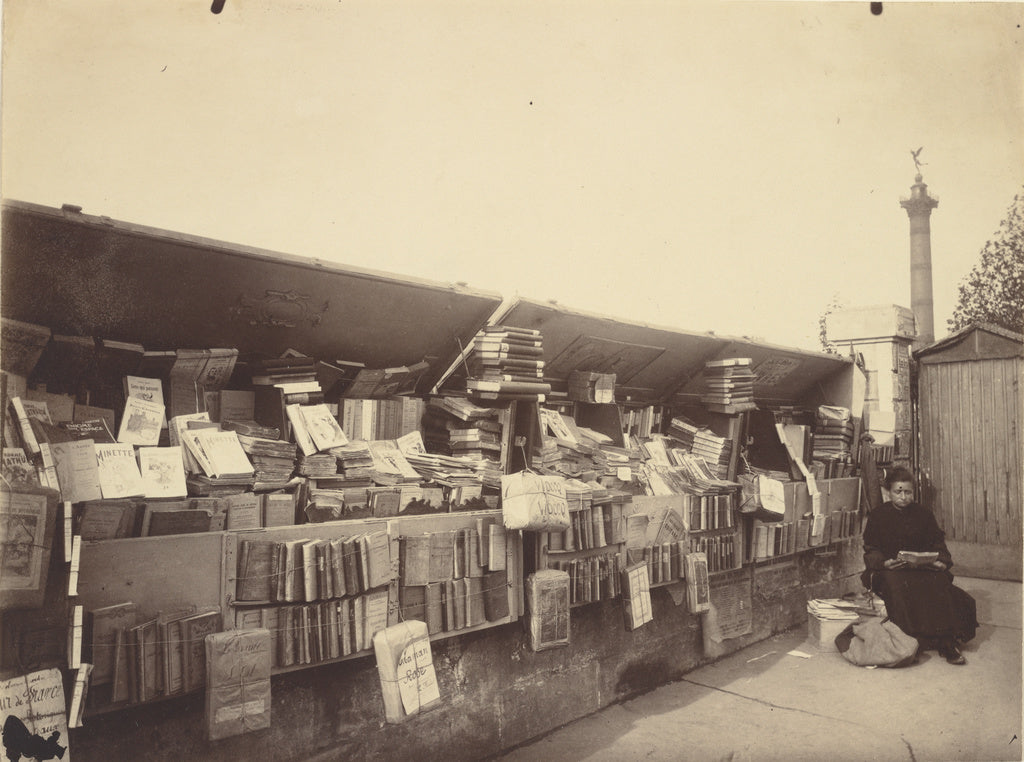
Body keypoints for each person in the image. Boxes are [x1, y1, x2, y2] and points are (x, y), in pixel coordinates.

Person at [860, 466, 978, 665]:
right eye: (899, 491)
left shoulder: (923, 514)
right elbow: (870, 548)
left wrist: (941, 561)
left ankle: (946, 642)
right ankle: (910, 641)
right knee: (896, 584)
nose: (904, 497)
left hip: (921, 569)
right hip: (891, 570)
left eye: (908, 492)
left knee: (939, 582)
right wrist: (884, 562)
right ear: (889, 492)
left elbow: (937, 543)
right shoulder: (878, 516)